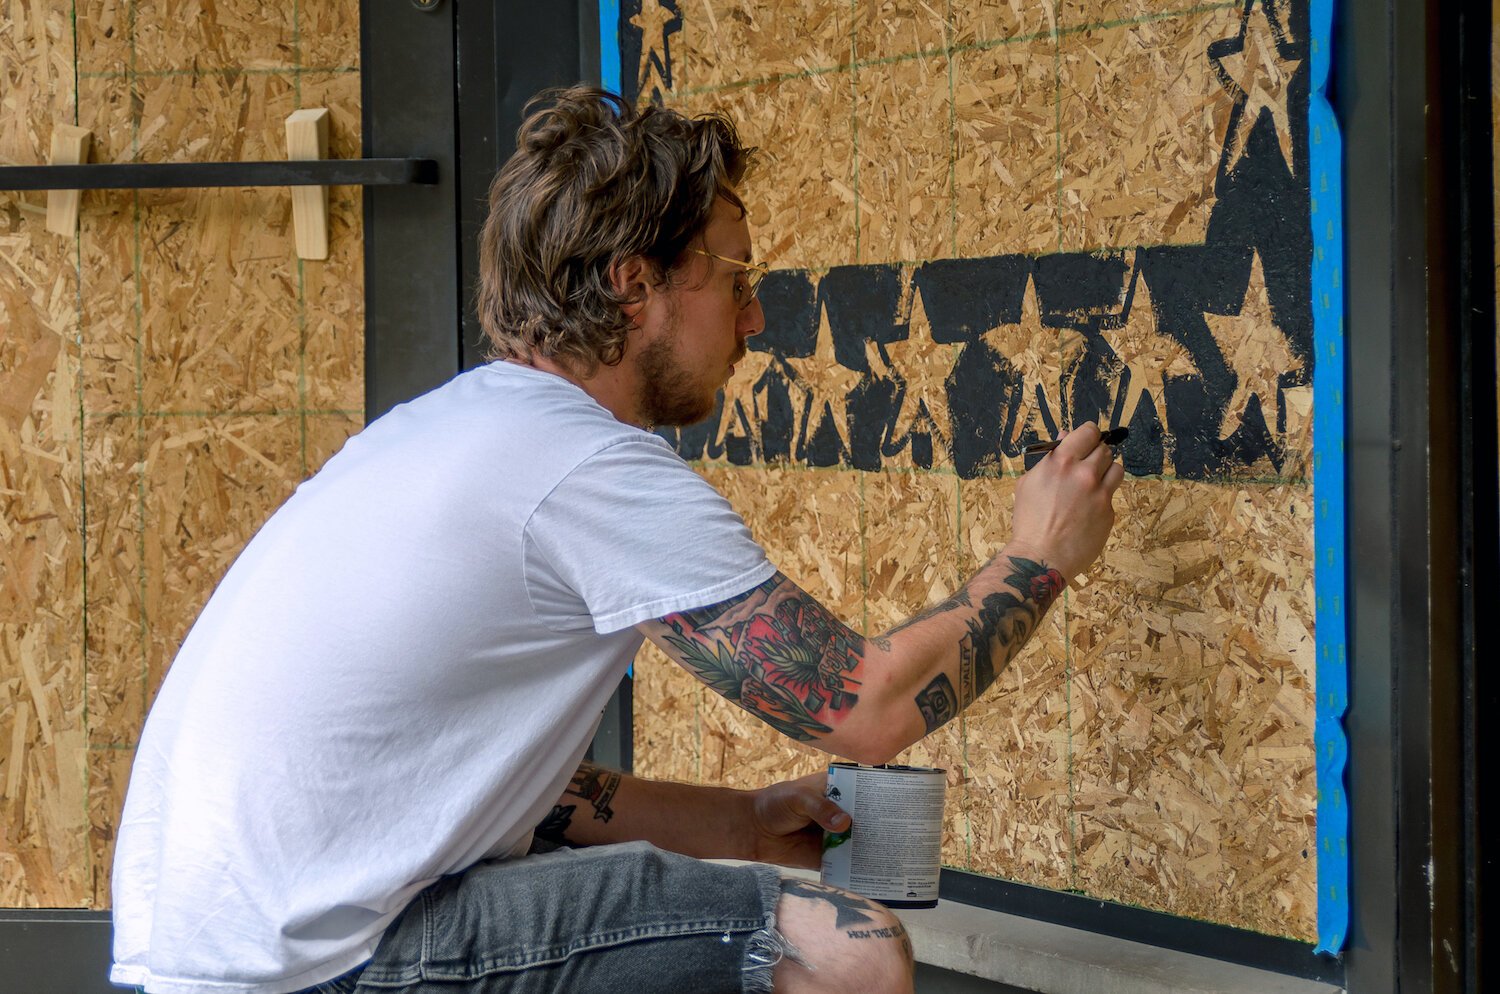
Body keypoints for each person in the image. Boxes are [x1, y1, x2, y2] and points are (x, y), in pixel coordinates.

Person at [109, 86, 1123, 994]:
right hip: (335, 961)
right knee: (843, 947)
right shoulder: (588, 468)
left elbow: (500, 793)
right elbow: (861, 709)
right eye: (733, 277)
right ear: (637, 286)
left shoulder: (446, 429)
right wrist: (1039, 554)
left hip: (214, 956)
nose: (757, 316)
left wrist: (744, 820)